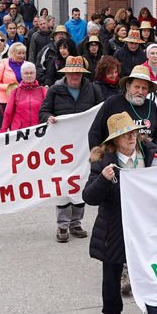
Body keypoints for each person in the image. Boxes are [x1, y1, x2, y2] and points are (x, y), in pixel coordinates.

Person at [83, 113, 157, 314]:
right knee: (112, 274)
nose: (131, 138)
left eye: (133, 133)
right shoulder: (104, 162)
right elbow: (89, 197)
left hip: (145, 226)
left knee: (154, 273)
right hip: (114, 228)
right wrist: (103, 180)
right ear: (114, 141)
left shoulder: (149, 154)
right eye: (125, 135)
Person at [40, 56, 104, 243]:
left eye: (78, 73)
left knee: (82, 181)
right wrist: (48, 118)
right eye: (72, 72)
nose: (75, 76)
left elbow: (102, 112)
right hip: (62, 148)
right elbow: (43, 111)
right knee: (63, 183)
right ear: (65, 73)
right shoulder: (55, 90)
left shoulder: (92, 89)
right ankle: (62, 225)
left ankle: (76, 222)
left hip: (84, 146)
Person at [89, 64, 157, 148]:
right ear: (128, 86)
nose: (140, 92)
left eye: (144, 88)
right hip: (115, 157)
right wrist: (99, 158)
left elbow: (155, 138)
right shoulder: (112, 103)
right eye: (136, 87)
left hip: (145, 159)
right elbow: (94, 133)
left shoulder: (152, 106)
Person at [1, 62, 46, 132]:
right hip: (19, 131)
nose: (29, 75)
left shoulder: (43, 91)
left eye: (32, 73)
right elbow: (8, 112)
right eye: (26, 73)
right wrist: (3, 130)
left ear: (35, 74)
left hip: (38, 130)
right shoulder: (15, 91)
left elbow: (48, 111)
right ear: (21, 75)